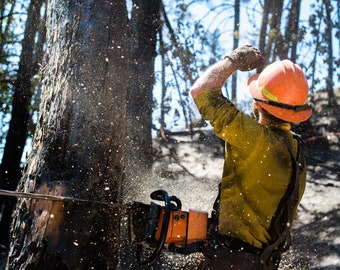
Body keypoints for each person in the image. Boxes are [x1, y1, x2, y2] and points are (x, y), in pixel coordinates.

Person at [190, 45, 313, 269]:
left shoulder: (256, 140)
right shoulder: (297, 150)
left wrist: (232, 61)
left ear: (257, 103)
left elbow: (202, 90)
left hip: (231, 260)